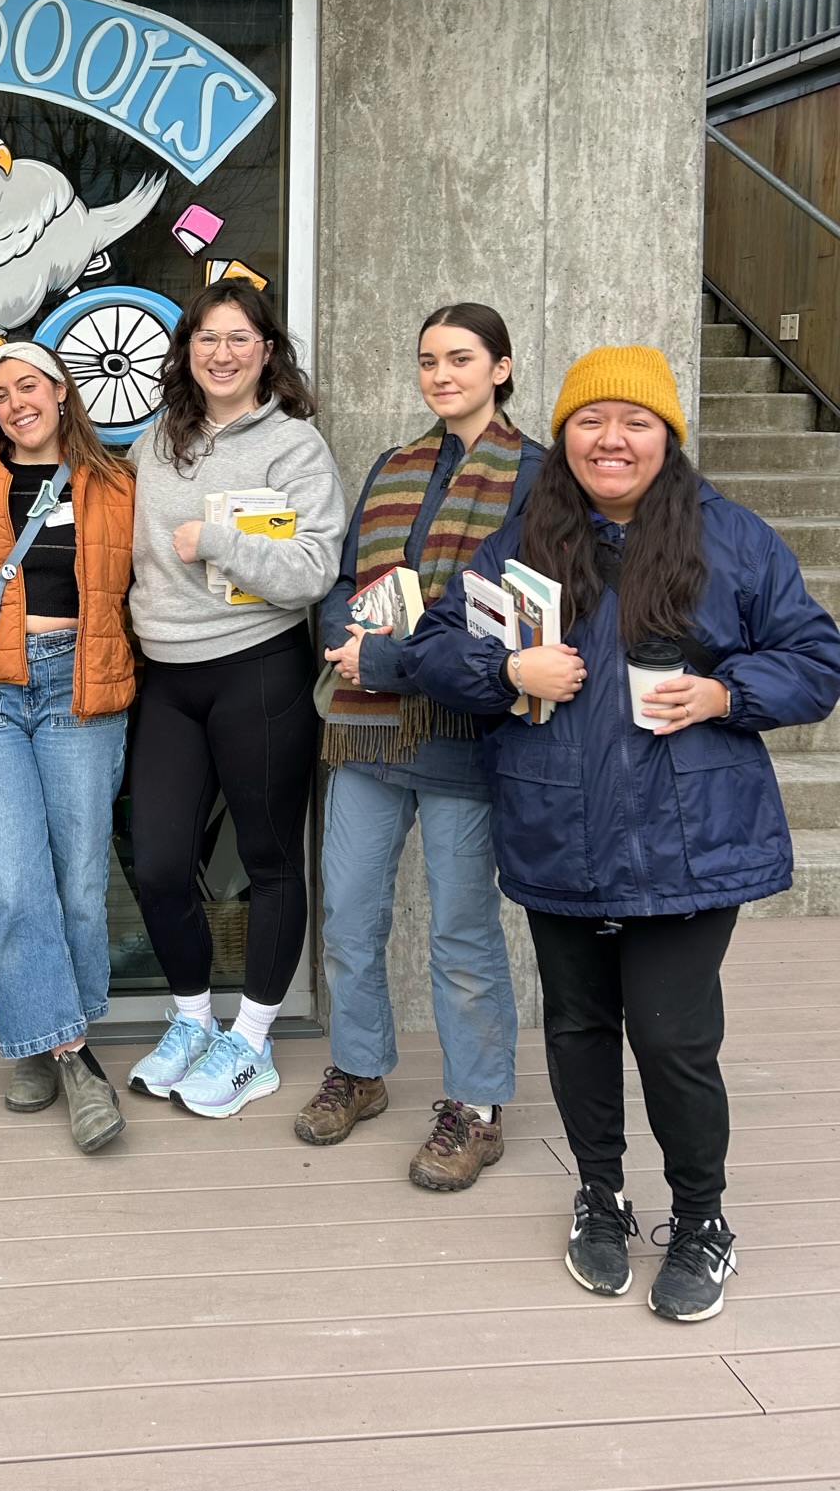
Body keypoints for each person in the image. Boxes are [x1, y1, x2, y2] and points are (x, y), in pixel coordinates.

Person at [409, 345, 840, 1320]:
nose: (612, 439)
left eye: (635, 422)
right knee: (576, 1026)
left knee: (672, 1037)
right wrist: (505, 675)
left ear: (667, 437)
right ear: (564, 439)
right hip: (558, 830)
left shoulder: (729, 538)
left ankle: (702, 1220)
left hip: (690, 844)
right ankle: (599, 1197)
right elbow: (438, 644)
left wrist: (730, 691)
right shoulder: (525, 540)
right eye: (591, 422)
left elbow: (817, 656)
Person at [298, 303, 544, 1190]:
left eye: (461, 359)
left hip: (465, 736)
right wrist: (343, 636)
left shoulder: (535, 476)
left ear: (502, 368)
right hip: (365, 727)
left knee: (462, 930)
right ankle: (360, 1070)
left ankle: (476, 1107)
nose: (442, 374)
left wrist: (394, 655)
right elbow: (345, 578)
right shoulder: (393, 465)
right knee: (351, 913)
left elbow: (519, 610)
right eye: (428, 359)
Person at [125, 279, 345, 1116]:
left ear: (266, 351)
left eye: (239, 338)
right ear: (186, 350)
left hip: (259, 670)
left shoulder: (294, 447)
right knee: (159, 862)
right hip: (168, 676)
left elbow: (315, 569)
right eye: (207, 337)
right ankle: (191, 1019)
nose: (222, 352)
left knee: (268, 860)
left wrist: (219, 539)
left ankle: (252, 1039)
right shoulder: (157, 442)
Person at [0, 342, 135, 1154]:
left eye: (28, 385)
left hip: (81, 687)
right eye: (0, 392)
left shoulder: (114, 484)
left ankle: (40, 1040)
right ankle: (77, 1060)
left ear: (63, 390)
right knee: (11, 882)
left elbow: (140, 594)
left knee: (79, 880)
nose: (15, 401)